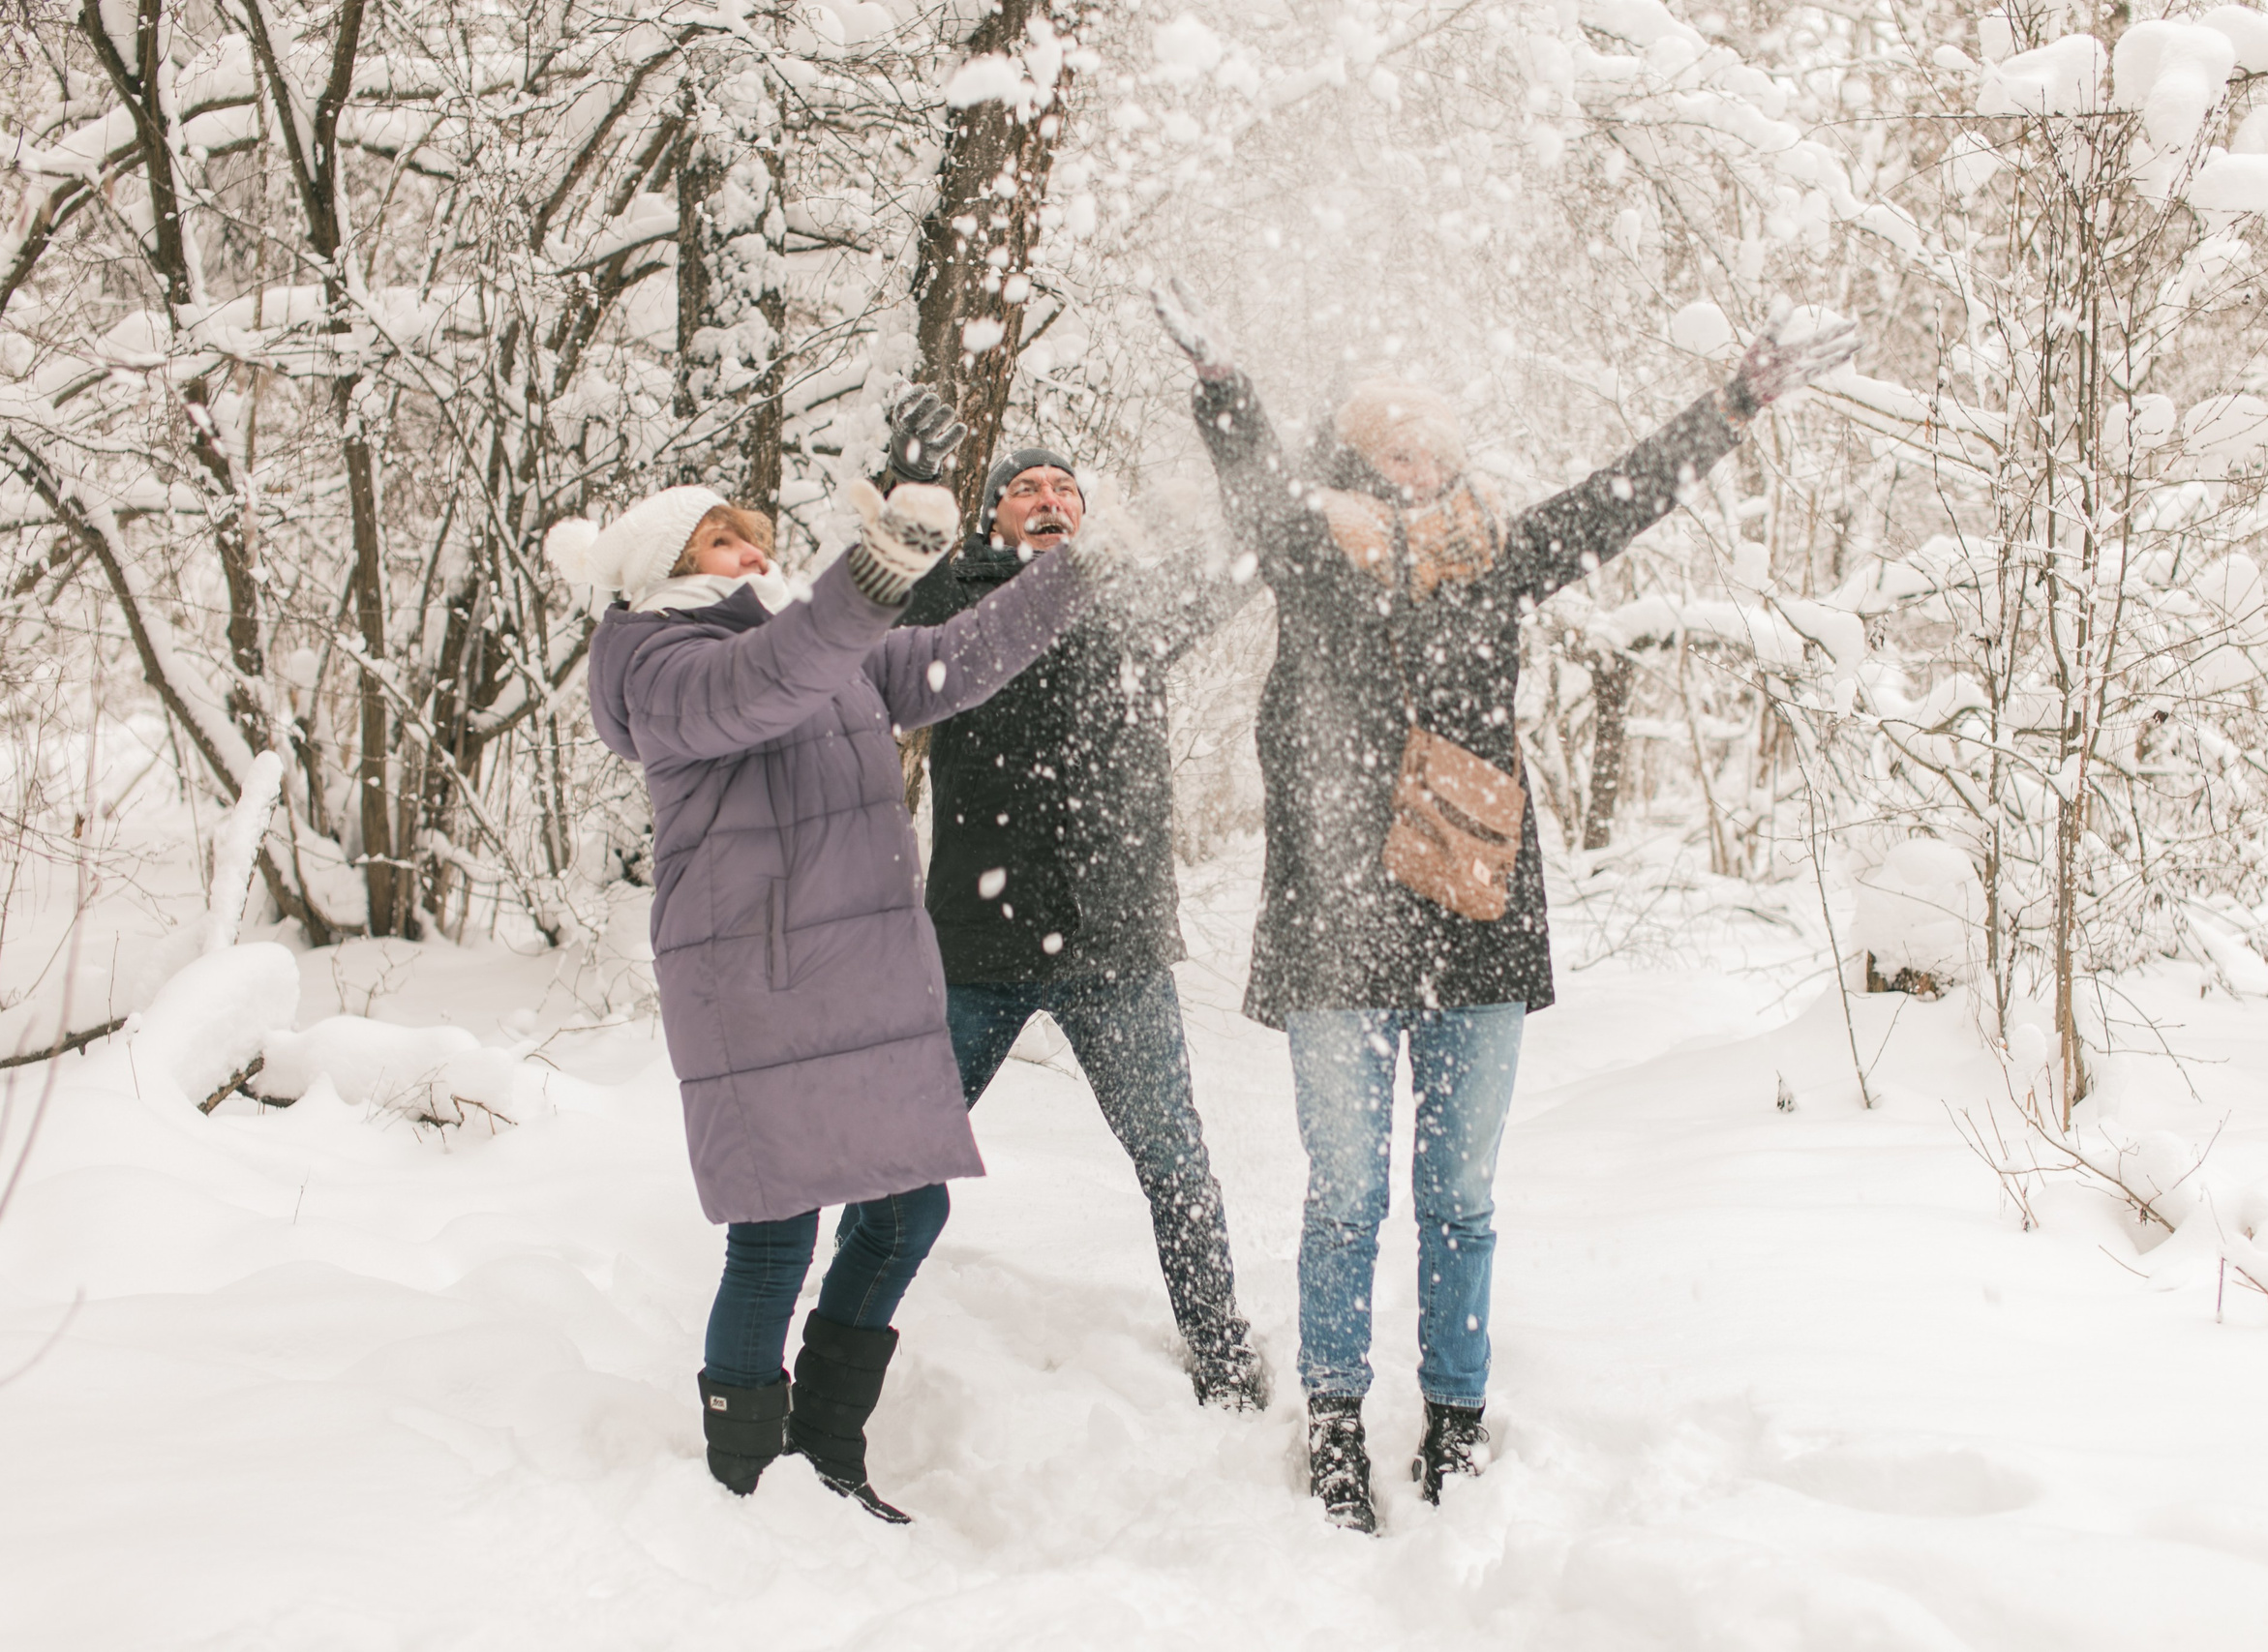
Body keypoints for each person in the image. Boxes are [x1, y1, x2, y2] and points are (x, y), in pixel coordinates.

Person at [1152, 282, 1859, 1530]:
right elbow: (1255, 489)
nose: (1414, 460)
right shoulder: (1316, 555)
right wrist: (1225, 389)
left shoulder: (1498, 558)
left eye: (1429, 441)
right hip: (1340, 929)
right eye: (1389, 444)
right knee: (1346, 1200)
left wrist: (1735, 402)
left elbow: (1619, 498)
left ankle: (1456, 1424)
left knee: (1462, 1202)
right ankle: (1331, 1423)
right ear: (1356, 461)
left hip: (1476, 922)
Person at [570, 472, 1106, 1522]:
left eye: (754, 537)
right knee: (774, 1234)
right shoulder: (658, 663)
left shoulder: (804, 637)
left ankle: (824, 1453)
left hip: (856, 976)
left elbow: (954, 660)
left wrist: (1077, 570)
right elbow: (772, 677)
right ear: (665, 566)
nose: (751, 552)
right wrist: (876, 573)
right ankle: (746, 1483)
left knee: (908, 1208)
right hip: (757, 984)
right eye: (723, 541)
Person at [868, 389, 1268, 1406]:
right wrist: (895, 478)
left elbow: (1249, 544)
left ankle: (1221, 1355)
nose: (1047, 498)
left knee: (1173, 1157)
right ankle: (838, 1339)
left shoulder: (1128, 597)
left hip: (1115, 943)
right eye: (1025, 488)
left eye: (1065, 489)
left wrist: (1235, 433)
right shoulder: (953, 599)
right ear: (993, 516)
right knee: (900, 1155)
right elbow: (868, 596)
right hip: (974, 943)